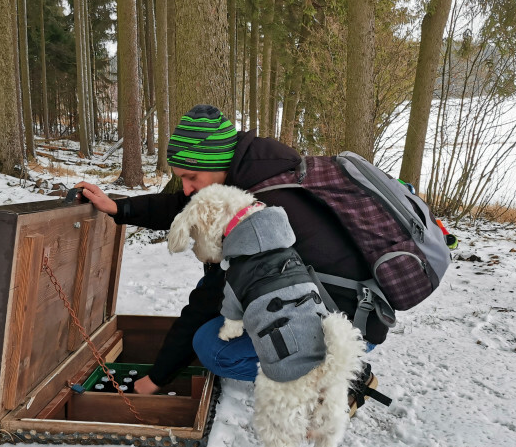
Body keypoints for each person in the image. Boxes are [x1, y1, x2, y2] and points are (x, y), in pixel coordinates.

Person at [76, 104, 388, 407]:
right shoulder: (250, 175)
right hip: (335, 303)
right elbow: (185, 206)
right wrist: (119, 207)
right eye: (181, 178)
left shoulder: (261, 211)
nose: (186, 188)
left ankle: (334, 377)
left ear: (216, 165)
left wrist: (157, 378)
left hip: (349, 322)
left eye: (191, 177)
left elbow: (210, 299)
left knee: (213, 349)